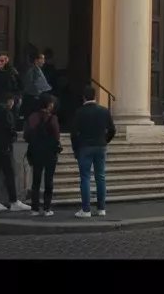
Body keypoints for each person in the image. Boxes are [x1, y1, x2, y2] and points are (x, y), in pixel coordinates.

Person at [71, 84, 116, 217]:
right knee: (100, 177)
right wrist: (105, 140)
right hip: (100, 146)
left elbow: (74, 133)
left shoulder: (79, 112)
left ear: (84, 97)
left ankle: (86, 209)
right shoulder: (104, 111)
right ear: (95, 96)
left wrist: (76, 149)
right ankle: (101, 208)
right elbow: (112, 130)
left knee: (85, 178)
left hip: (85, 147)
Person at [0, 92, 30, 213]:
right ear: (9, 101)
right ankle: (13, 201)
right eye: (13, 101)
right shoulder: (6, 112)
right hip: (4, 149)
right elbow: (10, 129)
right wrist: (12, 137)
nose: (13, 104)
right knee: (9, 174)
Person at [25, 92, 62, 216]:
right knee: (48, 180)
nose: (53, 105)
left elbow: (26, 135)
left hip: (36, 152)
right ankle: (46, 208)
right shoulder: (53, 118)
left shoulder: (33, 117)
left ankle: (34, 208)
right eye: (51, 103)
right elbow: (57, 136)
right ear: (48, 104)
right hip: (50, 153)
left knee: (36, 181)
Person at [21, 50, 52, 123]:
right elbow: (30, 85)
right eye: (42, 59)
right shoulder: (32, 71)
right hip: (32, 99)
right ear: (36, 60)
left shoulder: (38, 70)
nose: (43, 61)